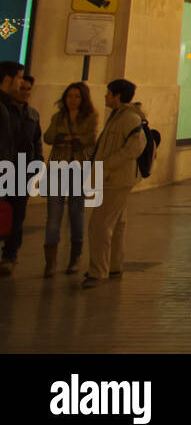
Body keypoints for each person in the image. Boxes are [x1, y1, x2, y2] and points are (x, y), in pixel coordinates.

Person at [82, 79, 148, 288]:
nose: (106, 97)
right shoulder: (118, 116)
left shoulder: (129, 118)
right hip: (114, 177)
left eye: (109, 93)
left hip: (116, 180)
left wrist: (106, 165)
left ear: (118, 96)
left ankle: (97, 271)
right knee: (118, 224)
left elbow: (133, 149)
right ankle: (113, 266)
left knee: (99, 225)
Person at [42, 82, 99, 277]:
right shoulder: (58, 117)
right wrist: (64, 136)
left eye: (77, 96)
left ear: (83, 99)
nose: (72, 100)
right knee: (53, 216)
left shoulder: (90, 118)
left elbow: (90, 139)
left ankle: (75, 258)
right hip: (57, 168)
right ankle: (50, 262)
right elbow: (48, 137)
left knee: (76, 214)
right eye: (69, 96)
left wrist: (73, 138)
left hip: (79, 169)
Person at [0, 63, 41, 276]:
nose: (22, 84)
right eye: (19, 79)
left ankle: (10, 254)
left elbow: (36, 141)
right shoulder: (4, 107)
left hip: (20, 172)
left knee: (16, 216)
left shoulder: (31, 114)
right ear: (8, 80)